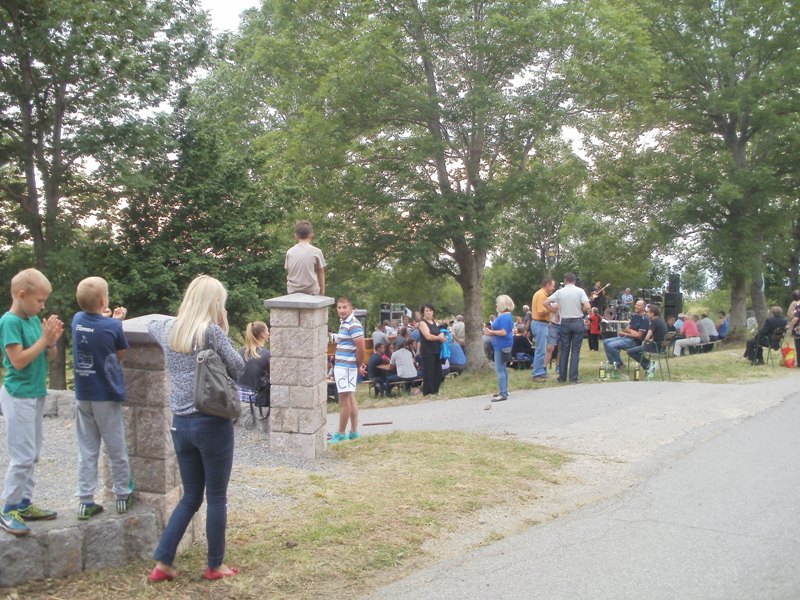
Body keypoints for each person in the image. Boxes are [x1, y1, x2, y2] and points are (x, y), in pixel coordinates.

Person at [147, 275, 244, 582]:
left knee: (190, 497)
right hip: (211, 422)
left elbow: (149, 324)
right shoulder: (211, 332)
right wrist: (223, 329)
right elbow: (238, 367)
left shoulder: (166, 330)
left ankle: (162, 564)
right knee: (216, 497)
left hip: (181, 426)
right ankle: (215, 565)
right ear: (214, 304)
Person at [0, 268, 63, 537]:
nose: (42, 306)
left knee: (33, 453)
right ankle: (8, 509)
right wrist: (43, 340)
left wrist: (51, 343)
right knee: (22, 456)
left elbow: (48, 356)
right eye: (39, 301)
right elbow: (18, 360)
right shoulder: (10, 322)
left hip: (35, 393)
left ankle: (24, 503)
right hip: (18, 395)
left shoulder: (33, 320)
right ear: (22, 295)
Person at [71, 277, 132, 520]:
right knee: (116, 446)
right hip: (106, 395)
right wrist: (116, 320)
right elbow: (120, 353)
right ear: (103, 300)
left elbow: (94, 327)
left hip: (83, 394)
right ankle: (122, 495)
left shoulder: (77, 321)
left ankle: (86, 500)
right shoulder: (113, 327)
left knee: (87, 449)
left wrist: (106, 318)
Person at [329, 297, 367, 443]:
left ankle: (341, 434)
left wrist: (358, 365)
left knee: (344, 400)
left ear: (351, 308)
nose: (341, 310)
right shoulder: (345, 323)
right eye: (339, 307)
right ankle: (354, 432)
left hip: (346, 367)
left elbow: (361, 347)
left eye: (344, 307)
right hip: (345, 366)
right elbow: (347, 341)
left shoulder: (353, 324)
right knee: (350, 398)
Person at [545, 273, 590, 384]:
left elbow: (545, 302)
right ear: (574, 281)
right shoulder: (580, 291)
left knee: (564, 350)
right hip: (577, 321)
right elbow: (588, 306)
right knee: (575, 351)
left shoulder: (560, 292)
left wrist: (555, 311)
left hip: (564, 322)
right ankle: (573, 378)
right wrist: (581, 309)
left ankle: (562, 377)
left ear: (565, 280)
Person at [603, 299, 649, 370]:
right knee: (606, 342)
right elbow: (626, 328)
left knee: (611, 345)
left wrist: (625, 333)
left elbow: (638, 336)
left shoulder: (644, 319)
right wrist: (630, 331)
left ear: (643, 308)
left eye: (638, 305)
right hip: (626, 337)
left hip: (635, 342)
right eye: (636, 304)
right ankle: (613, 363)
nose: (636, 306)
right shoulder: (635, 316)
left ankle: (619, 365)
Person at [484, 295, 514, 402]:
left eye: (497, 303)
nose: (496, 305)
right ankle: (503, 389)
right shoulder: (504, 315)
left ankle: (503, 393)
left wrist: (491, 332)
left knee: (499, 369)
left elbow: (504, 332)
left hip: (502, 345)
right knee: (503, 368)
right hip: (501, 344)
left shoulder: (505, 317)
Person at [285, 220, 326, 295]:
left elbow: (289, 271)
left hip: (293, 292)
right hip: (312, 292)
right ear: (311, 235)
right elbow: (321, 273)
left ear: (296, 236)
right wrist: (322, 295)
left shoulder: (289, 252)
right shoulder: (316, 252)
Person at [626, 305, 668, 374]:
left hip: (655, 347)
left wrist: (644, 342)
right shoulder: (662, 321)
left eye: (648, 312)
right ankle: (648, 366)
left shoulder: (653, 321)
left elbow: (648, 335)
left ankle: (648, 364)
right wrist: (650, 341)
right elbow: (660, 336)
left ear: (653, 313)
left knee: (630, 351)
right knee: (638, 350)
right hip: (662, 347)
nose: (647, 314)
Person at [237, 321, 270, 404]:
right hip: (255, 400)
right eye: (267, 331)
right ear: (262, 334)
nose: (268, 333)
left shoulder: (241, 351)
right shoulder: (267, 354)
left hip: (238, 398)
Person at [417, 303, 447, 396]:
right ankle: (427, 392)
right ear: (423, 312)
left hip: (437, 349)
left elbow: (439, 332)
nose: (429, 312)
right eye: (426, 311)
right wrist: (439, 338)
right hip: (427, 350)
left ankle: (435, 391)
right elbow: (428, 336)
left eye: (430, 310)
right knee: (429, 372)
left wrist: (442, 335)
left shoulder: (434, 322)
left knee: (438, 372)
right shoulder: (422, 323)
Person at [530, 277, 556, 382]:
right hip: (540, 324)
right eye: (552, 286)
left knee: (541, 350)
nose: (553, 288)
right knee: (540, 350)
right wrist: (552, 308)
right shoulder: (541, 295)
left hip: (540, 324)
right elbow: (540, 311)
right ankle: (537, 374)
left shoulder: (541, 294)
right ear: (548, 284)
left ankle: (539, 372)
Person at [787, 290, 800, 367]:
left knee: (798, 346)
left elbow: (795, 318)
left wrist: (790, 326)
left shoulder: (797, 305)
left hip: (798, 330)